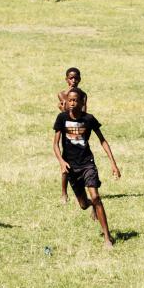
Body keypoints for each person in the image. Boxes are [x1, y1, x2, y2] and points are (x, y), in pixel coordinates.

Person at [52, 89, 121, 246]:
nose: (73, 103)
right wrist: (61, 162)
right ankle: (92, 206)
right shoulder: (61, 118)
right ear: (67, 102)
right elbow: (55, 145)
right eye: (70, 100)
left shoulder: (89, 119)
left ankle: (107, 238)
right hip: (71, 167)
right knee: (84, 204)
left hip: (87, 163)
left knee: (96, 196)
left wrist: (113, 164)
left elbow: (103, 141)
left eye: (76, 100)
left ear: (82, 103)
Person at [56, 68, 88, 204]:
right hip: (66, 129)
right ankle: (64, 193)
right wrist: (63, 109)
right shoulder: (62, 94)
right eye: (71, 78)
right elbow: (65, 113)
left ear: (79, 79)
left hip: (80, 128)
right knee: (66, 161)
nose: (73, 81)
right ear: (66, 79)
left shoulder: (83, 95)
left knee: (80, 161)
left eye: (76, 78)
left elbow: (83, 111)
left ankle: (79, 193)